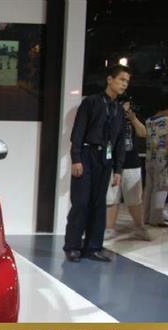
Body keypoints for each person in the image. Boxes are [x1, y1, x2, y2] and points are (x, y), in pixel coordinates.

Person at [64, 65, 130, 262]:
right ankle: (73, 246)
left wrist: (118, 169)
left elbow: (120, 142)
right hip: (86, 154)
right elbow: (78, 132)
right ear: (110, 79)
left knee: (99, 204)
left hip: (106, 160)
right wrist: (76, 158)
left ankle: (93, 247)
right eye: (121, 80)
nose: (124, 84)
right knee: (81, 202)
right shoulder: (91, 102)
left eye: (127, 81)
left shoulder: (119, 110)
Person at [103, 97, 152, 240]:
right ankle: (109, 229)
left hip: (132, 162)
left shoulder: (132, 119)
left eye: (128, 106)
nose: (126, 108)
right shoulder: (109, 116)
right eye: (124, 105)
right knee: (111, 198)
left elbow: (143, 133)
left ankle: (139, 227)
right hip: (112, 164)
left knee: (134, 198)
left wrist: (133, 119)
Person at [142, 102, 168, 226]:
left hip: (149, 158)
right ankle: (156, 219)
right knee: (162, 187)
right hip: (163, 158)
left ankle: (146, 218)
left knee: (149, 188)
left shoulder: (149, 120)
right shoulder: (167, 120)